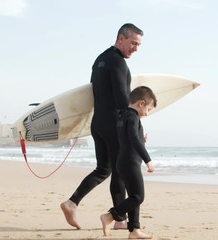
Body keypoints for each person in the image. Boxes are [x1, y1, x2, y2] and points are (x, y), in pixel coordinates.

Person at [60, 23, 144, 230]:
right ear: (121, 38)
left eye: (139, 45)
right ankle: (119, 221)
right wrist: (134, 126)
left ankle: (71, 203)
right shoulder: (118, 63)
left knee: (103, 169)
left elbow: (91, 93)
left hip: (99, 124)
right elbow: (122, 98)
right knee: (120, 172)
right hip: (115, 124)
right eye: (133, 43)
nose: (136, 48)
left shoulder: (100, 59)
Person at [100, 86, 157, 239]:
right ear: (141, 103)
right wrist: (148, 160)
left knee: (133, 196)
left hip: (123, 161)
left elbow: (127, 137)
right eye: (148, 109)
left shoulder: (123, 115)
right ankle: (110, 216)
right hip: (130, 163)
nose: (147, 113)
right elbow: (133, 138)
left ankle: (134, 230)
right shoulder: (132, 117)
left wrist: (140, 138)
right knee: (138, 196)